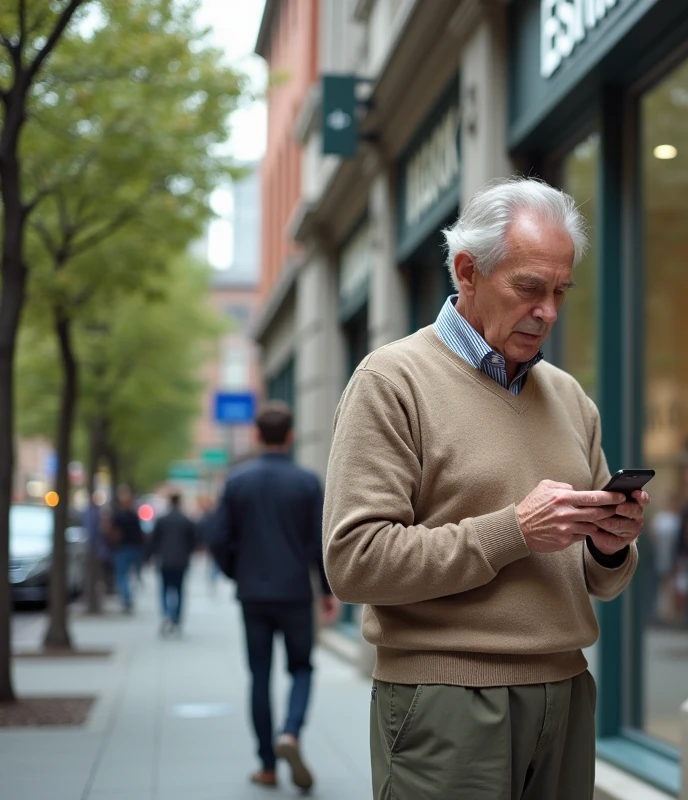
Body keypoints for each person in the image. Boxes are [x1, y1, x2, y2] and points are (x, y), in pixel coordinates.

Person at [323, 177, 650, 800]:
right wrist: (514, 531)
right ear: (467, 271)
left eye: (559, 291)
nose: (548, 310)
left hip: (568, 693)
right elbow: (353, 563)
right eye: (529, 287)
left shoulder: (570, 398)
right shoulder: (391, 381)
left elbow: (603, 579)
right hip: (446, 701)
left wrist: (610, 544)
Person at [209, 402, 340, 792]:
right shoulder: (306, 482)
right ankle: (291, 734)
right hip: (296, 592)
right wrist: (327, 591)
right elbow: (321, 541)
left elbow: (217, 538)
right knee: (301, 668)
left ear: (255, 435)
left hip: (253, 595)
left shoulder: (237, 481)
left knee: (259, 677)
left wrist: (238, 573)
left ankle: (267, 766)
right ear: (290, 436)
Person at [146, 491, 198, 636]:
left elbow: (154, 540)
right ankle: (176, 619)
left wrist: (149, 556)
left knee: (164, 589)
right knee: (179, 590)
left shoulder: (162, 520)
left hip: (165, 560)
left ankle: (166, 614)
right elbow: (193, 541)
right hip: (181, 561)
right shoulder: (186, 520)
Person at [106, 486, 145, 614]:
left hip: (122, 548)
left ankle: (126, 599)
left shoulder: (117, 516)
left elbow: (111, 531)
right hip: (133, 548)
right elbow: (140, 534)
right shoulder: (134, 516)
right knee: (129, 575)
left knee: (122, 576)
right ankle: (127, 597)